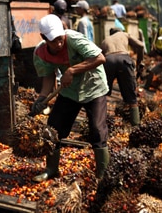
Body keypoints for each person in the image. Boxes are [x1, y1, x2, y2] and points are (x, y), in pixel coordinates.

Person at [30, 14, 110, 181]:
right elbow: (48, 77)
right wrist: (43, 97)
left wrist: (72, 71)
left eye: (60, 38)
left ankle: (103, 174)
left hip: (93, 87)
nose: (59, 43)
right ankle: (52, 168)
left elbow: (100, 57)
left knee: (97, 128)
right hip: (70, 91)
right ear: (44, 37)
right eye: (54, 40)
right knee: (53, 128)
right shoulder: (40, 53)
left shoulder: (74, 39)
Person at [100, 28, 145, 126]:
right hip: (124, 60)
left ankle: (101, 121)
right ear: (119, 31)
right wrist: (139, 62)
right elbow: (141, 45)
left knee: (103, 93)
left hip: (108, 61)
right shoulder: (124, 34)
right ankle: (135, 125)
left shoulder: (105, 40)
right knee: (132, 97)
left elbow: (100, 57)